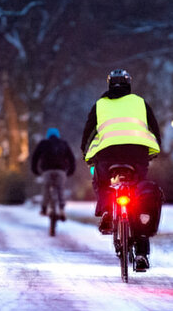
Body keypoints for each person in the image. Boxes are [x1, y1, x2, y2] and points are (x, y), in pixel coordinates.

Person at [81, 69, 161, 236]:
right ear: (129, 84)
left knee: (102, 183)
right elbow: (154, 128)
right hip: (137, 154)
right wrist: (155, 149)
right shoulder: (140, 102)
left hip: (107, 155)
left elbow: (88, 133)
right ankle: (141, 248)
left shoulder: (100, 105)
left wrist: (86, 154)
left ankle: (107, 211)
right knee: (139, 191)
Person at [31, 127, 76, 220]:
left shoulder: (43, 144)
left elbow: (35, 158)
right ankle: (62, 209)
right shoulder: (64, 144)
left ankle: (44, 208)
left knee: (46, 188)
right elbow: (72, 159)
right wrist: (70, 171)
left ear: (48, 135)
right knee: (60, 188)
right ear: (58, 135)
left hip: (47, 171)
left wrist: (35, 170)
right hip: (61, 171)